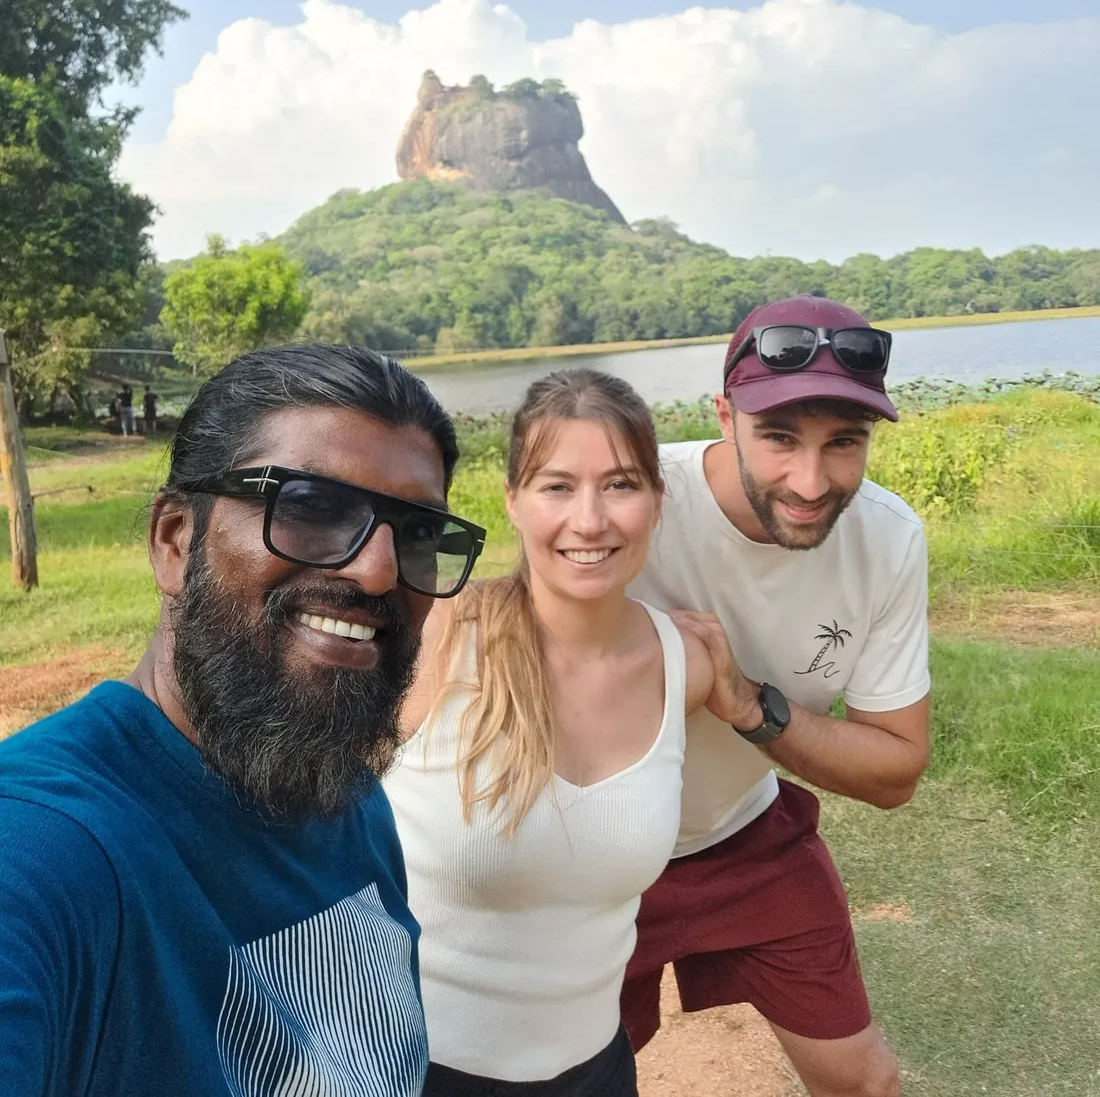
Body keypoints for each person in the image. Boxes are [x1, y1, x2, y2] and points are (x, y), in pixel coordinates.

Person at [0, 343, 488, 1097]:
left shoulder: (345, 792)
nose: (379, 570)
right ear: (173, 540)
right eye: (311, 507)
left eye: (417, 533)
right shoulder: (47, 851)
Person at [386, 369, 746, 1096]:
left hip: (597, 1072)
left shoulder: (688, 666)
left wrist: (749, 701)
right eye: (557, 486)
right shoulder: (442, 638)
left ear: (656, 500)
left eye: (620, 484)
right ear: (514, 501)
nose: (590, 520)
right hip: (412, 1070)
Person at [621, 296, 931, 1097]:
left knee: (866, 1081)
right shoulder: (632, 504)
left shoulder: (889, 539)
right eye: (780, 437)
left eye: (845, 443)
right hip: (599, 848)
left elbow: (897, 769)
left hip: (746, 835)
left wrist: (750, 705)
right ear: (723, 416)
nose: (811, 480)